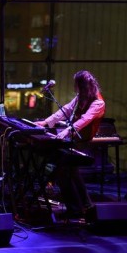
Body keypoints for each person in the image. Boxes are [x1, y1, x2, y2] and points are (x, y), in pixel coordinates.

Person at [34, 70, 105, 219]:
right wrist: (46, 122)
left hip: (82, 141)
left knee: (64, 171)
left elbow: (84, 120)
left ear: (82, 86)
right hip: (73, 138)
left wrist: (66, 132)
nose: (75, 88)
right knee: (71, 172)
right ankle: (84, 206)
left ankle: (77, 207)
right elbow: (65, 110)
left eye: (76, 85)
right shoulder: (81, 97)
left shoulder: (98, 102)